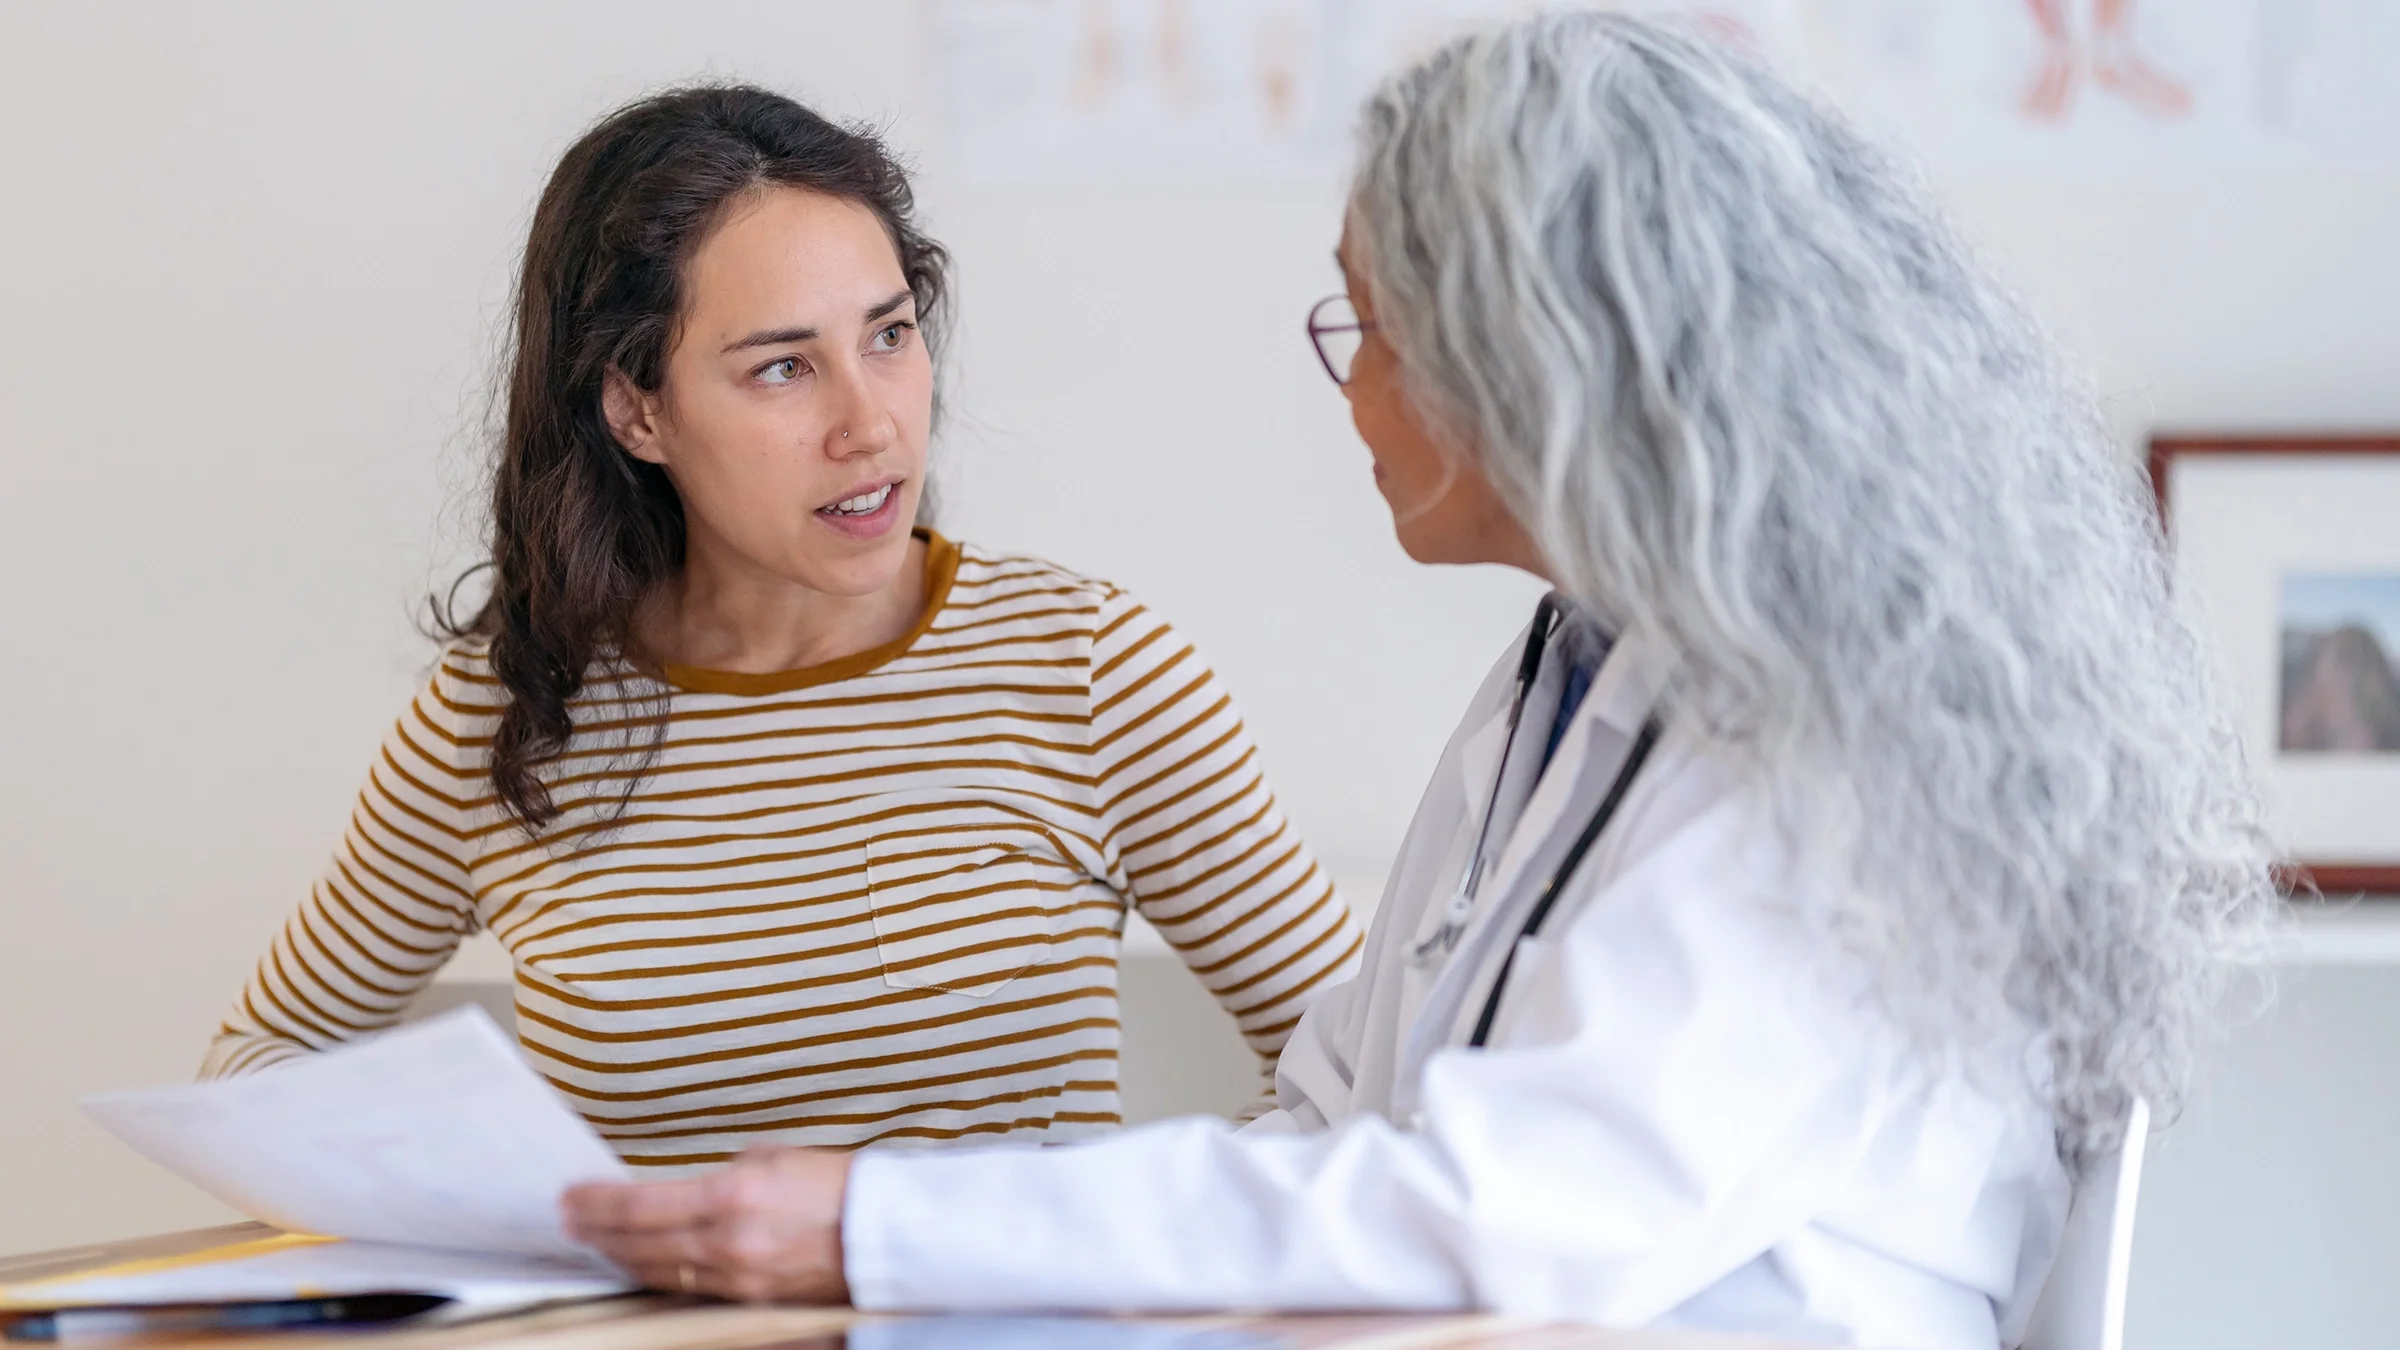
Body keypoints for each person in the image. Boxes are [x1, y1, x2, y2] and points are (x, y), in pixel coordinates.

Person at [560, 16, 2280, 1347]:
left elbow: (1512, 1220)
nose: (1352, 387)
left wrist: (881, 1227)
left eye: (1369, 327)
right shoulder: (1567, 680)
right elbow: (1333, 1126)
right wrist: (882, 1228)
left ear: (1535, 357)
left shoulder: (1820, 739)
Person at [200, 87, 1364, 1166]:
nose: (870, 425)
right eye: (782, 369)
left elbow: (1372, 1077)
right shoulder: (502, 718)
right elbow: (258, 1064)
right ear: (637, 411)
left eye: (888, 336)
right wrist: (477, 1210)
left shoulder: (1088, 669)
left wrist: (1121, 1237)